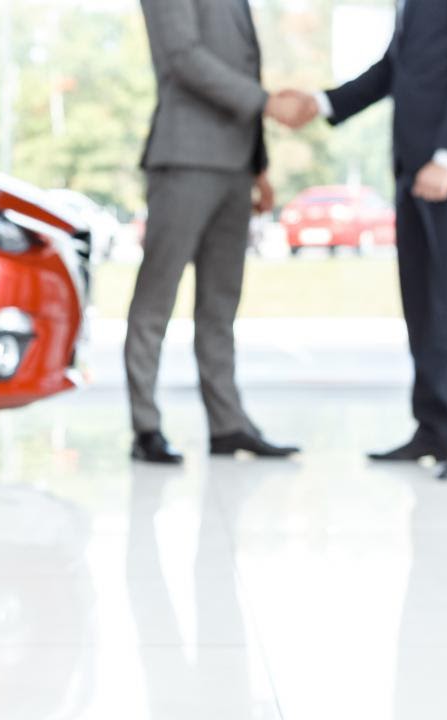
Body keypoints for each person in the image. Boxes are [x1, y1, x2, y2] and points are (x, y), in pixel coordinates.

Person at [291, 0, 447, 479]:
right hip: (414, 163)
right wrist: (326, 102)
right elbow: (399, 65)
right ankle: (436, 428)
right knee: (424, 300)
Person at [127, 0, 308, 464]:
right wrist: (267, 104)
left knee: (221, 303)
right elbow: (183, 57)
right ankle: (146, 427)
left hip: (236, 166)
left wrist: (259, 166)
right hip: (184, 157)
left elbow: (244, 71)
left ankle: (227, 425)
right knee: (156, 298)